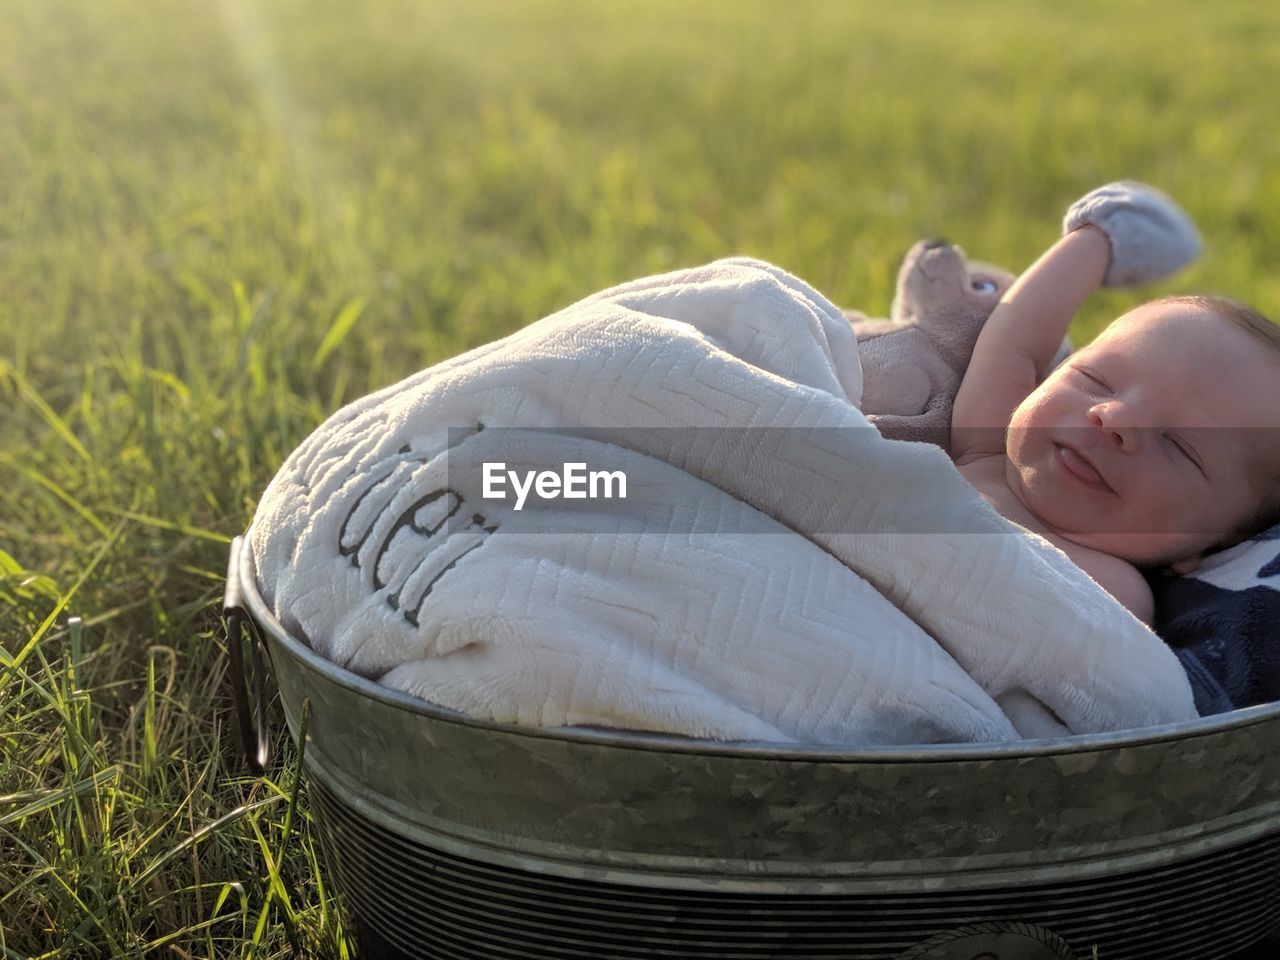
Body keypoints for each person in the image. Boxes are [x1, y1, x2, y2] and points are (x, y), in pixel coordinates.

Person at [949, 183, 1280, 625]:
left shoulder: (1115, 593)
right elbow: (1016, 337)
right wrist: (1097, 238)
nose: (1114, 417)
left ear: (1206, 548)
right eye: (1096, 380)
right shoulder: (984, 450)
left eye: (1177, 445)